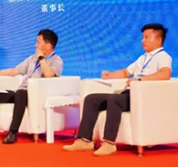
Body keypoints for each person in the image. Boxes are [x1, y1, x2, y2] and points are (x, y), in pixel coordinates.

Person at [64, 24, 172, 156]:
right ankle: (85, 140)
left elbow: (165, 74)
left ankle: (109, 143)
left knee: (114, 99)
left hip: (144, 96)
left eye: (146, 37)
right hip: (130, 93)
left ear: (158, 40)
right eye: (143, 37)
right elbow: (126, 72)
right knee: (91, 99)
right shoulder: (143, 58)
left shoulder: (163, 56)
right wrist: (110, 75)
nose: (142, 40)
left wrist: (139, 80)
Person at [0, 29, 63, 144]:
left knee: (21, 93)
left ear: (48, 45)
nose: (36, 45)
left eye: (38, 42)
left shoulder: (57, 61)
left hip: (36, 96)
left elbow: (49, 74)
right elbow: (15, 71)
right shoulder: (32, 58)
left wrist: (41, 58)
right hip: (21, 92)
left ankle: (12, 133)